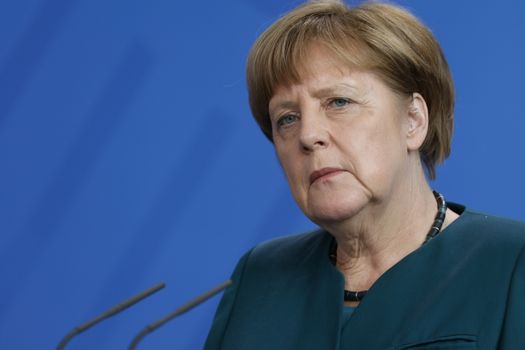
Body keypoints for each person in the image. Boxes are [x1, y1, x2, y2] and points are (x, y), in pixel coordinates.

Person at [205, 1, 525, 349]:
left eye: (339, 102)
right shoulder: (258, 277)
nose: (308, 135)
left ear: (413, 120)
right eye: (287, 118)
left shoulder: (511, 262)